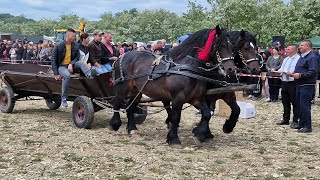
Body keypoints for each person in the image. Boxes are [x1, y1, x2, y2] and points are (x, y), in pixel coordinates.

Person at [51, 28, 93, 108]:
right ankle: (64, 99)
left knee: (80, 63)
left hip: (71, 65)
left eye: (75, 36)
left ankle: (90, 75)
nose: (75, 37)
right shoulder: (59, 45)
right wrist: (56, 73)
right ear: (68, 36)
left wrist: (71, 63)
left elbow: (77, 58)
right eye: (73, 36)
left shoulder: (75, 45)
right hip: (62, 66)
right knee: (67, 76)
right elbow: (53, 59)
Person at [287, 40, 319, 133]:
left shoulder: (312, 57)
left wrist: (300, 75)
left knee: (305, 106)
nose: (299, 47)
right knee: (299, 105)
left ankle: (307, 126)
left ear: (308, 47)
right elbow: (301, 69)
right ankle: (301, 123)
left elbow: (313, 72)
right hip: (299, 84)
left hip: (307, 85)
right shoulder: (302, 56)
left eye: (301, 45)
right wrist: (293, 74)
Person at [275, 45, 300, 127]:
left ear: (294, 50)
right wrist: (277, 71)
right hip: (284, 82)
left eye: (288, 49)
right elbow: (282, 69)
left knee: (295, 102)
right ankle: (286, 119)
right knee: (285, 102)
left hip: (293, 83)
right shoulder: (286, 59)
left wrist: (290, 73)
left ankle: (296, 120)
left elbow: (296, 70)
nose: (286, 50)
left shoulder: (298, 59)